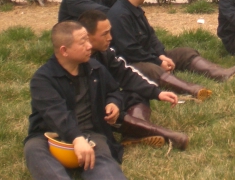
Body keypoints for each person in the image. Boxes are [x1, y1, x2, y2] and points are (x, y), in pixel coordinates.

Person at [107, 0, 235, 100]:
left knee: (186, 53)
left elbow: (151, 36)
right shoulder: (118, 15)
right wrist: (157, 62)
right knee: (153, 70)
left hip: (149, 56)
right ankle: (192, 90)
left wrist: (161, 55)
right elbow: (130, 51)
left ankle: (222, 74)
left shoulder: (135, 8)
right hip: (132, 63)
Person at [23, 21, 127, 180]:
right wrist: (76, 138)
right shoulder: (43, 79)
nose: (89, 46)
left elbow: (113, 90)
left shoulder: (95, 68)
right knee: (34, 149)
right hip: (51, 135)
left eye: (88, 40)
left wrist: (113, 103)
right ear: (64, 51)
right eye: (82, 42)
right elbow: (56, 114)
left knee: (105, 167)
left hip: (90, 135)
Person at [78, 9, 189, 150]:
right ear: (87, 36)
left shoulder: (105, 53)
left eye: (110, 32)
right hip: (92, 115)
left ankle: (135, 134)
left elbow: (127, 74)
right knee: (110, 111)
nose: (110, 37)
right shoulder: (76, 60)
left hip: (108, 103)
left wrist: (158, 93)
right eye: (104, 34)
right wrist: (112, 103)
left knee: (137, 92)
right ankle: (169, 136)